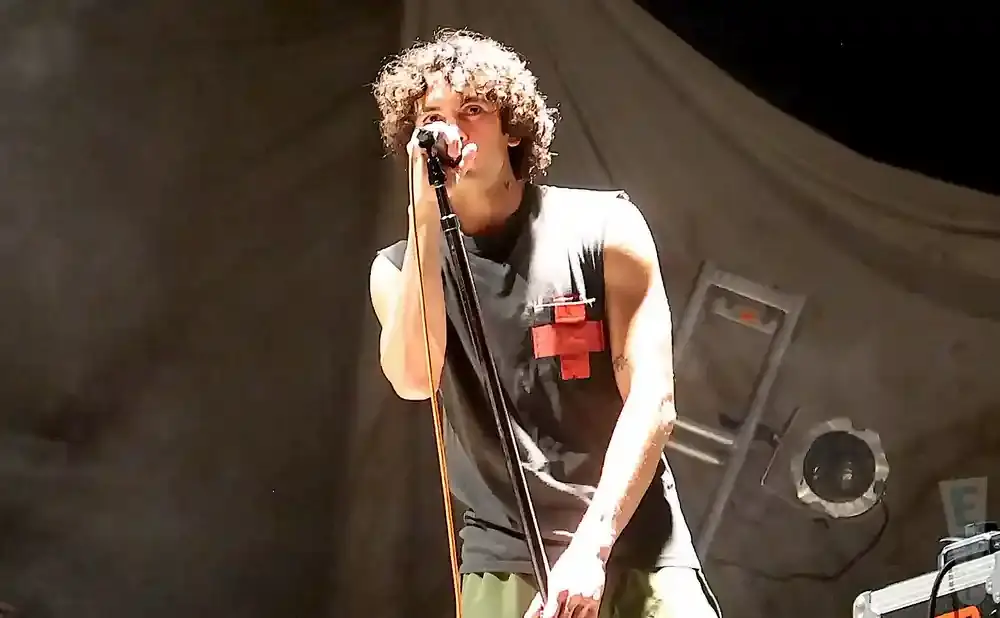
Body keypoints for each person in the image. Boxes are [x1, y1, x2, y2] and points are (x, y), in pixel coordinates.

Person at [368, 29, 722, 618]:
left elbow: (654, 400)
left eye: (472, 109)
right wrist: (425, 211)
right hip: (503, 561)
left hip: (632, 543)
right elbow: (413, 379)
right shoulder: (399, 269)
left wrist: (593, 547)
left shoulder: (606, 228)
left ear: (511, 127)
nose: (450, 129)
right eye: (432, 117)